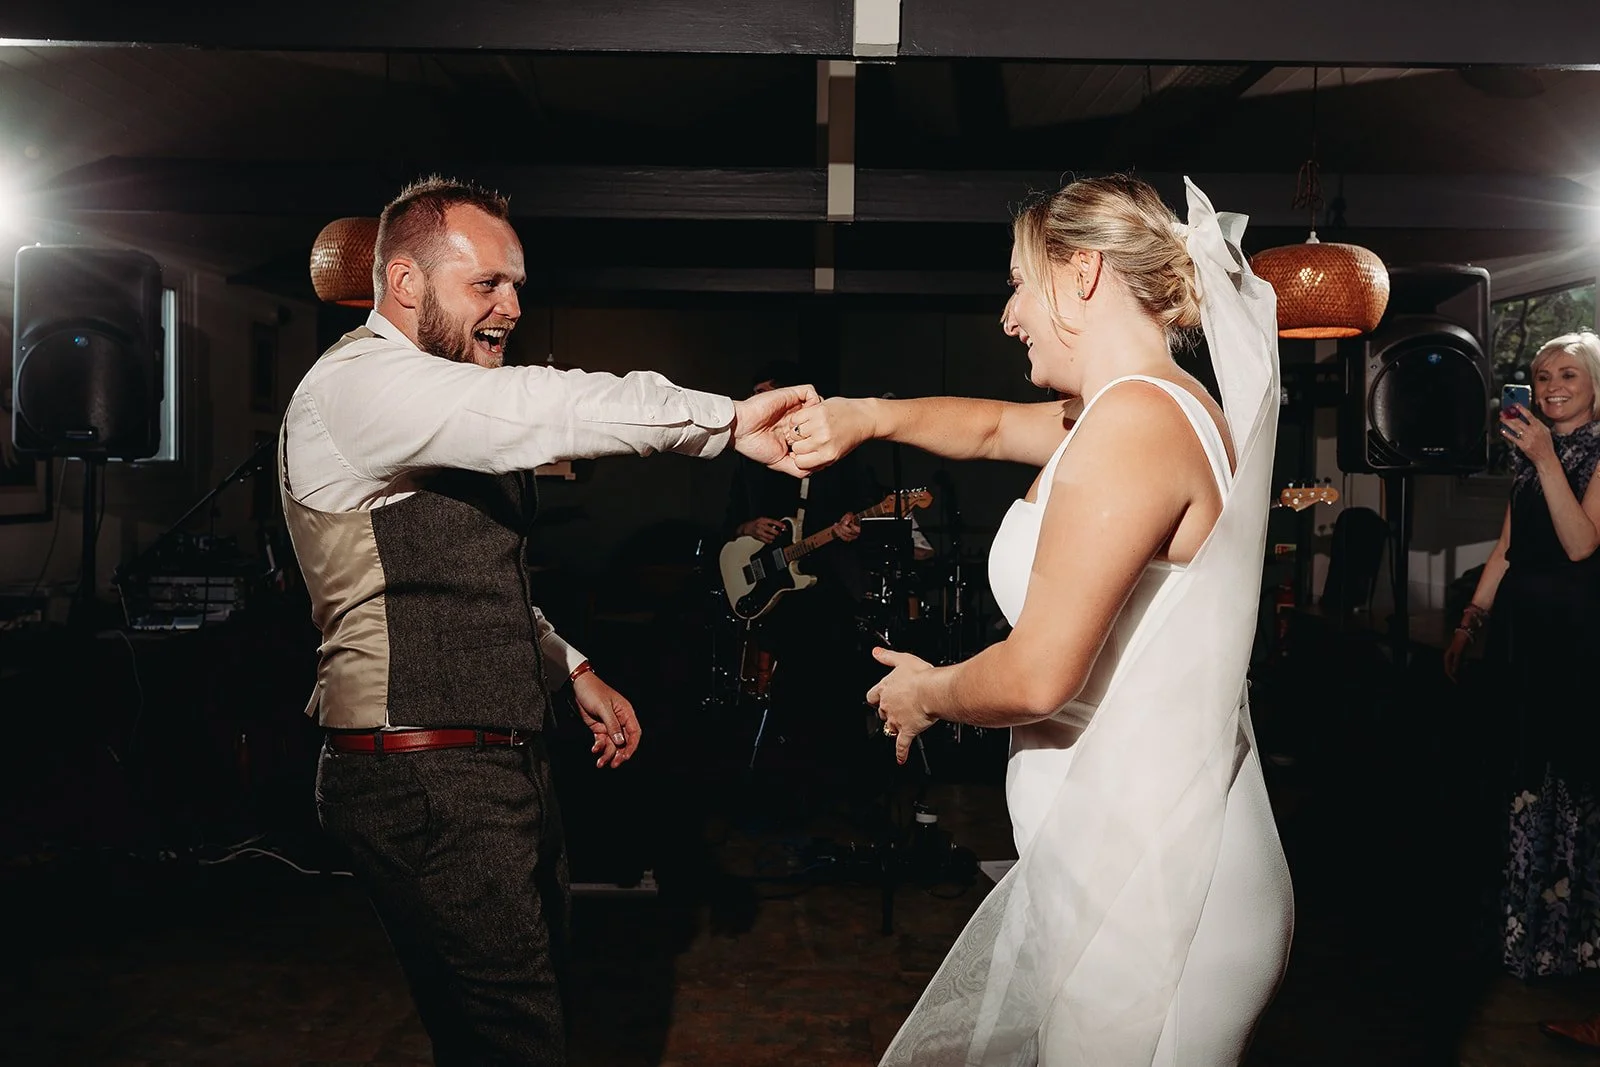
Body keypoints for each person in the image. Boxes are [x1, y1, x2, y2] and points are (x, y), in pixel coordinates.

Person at [278, 176, 818, 1066]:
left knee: (515, 1020)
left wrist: (570, 668)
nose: (513, 305)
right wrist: (721, 420)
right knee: (517, 1036)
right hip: (422, 772)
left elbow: (465, 574)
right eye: (487, 283)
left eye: (517, 284)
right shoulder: (360, 386)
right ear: (405, 285)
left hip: (490, 760)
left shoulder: (428, 403)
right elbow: (544, 404)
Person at [788, 175, 1292, 1065]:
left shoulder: (1136, 419)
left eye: (1020, 282)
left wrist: (926, 693)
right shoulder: (1128, 408)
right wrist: (865, 417)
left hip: (1162, 877)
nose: (1009, 314)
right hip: (1129, 854)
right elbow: (987, 431)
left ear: (1084, 274)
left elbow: (1036, 675)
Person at [1444, 331, 1600, 985]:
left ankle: (1574, 945)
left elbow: (1581, 544)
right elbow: (1508, 547)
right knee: (1523, 776)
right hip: (1522, 634)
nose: (1552, 386)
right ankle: (1527, 937)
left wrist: (1545, 460)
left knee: (1573, 778)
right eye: (1541, 376)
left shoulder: (1589, 453)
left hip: (1578, 636)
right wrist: (1471, 617)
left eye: (1568, 373)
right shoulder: (1531, 453)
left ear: (1595, 383)